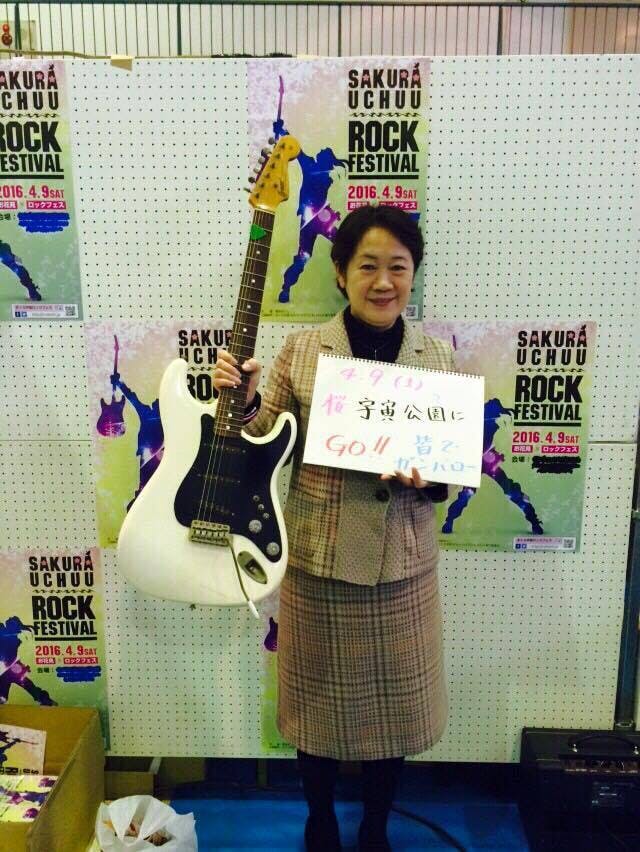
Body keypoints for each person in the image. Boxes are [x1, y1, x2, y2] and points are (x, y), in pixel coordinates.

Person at [214, 204, 456, 852]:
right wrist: (242, 399)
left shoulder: (436, 356)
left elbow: (450, 472)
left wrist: (429, 479)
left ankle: (375, 825)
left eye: (397, 267)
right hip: (319, 562)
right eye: (368, 266)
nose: (384, 282)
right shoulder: (302, 350)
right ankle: (319, 818)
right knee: (315, 715)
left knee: (393, 718)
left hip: (401, 566)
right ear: (342, 273)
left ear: (413, 275)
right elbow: (263, 439)